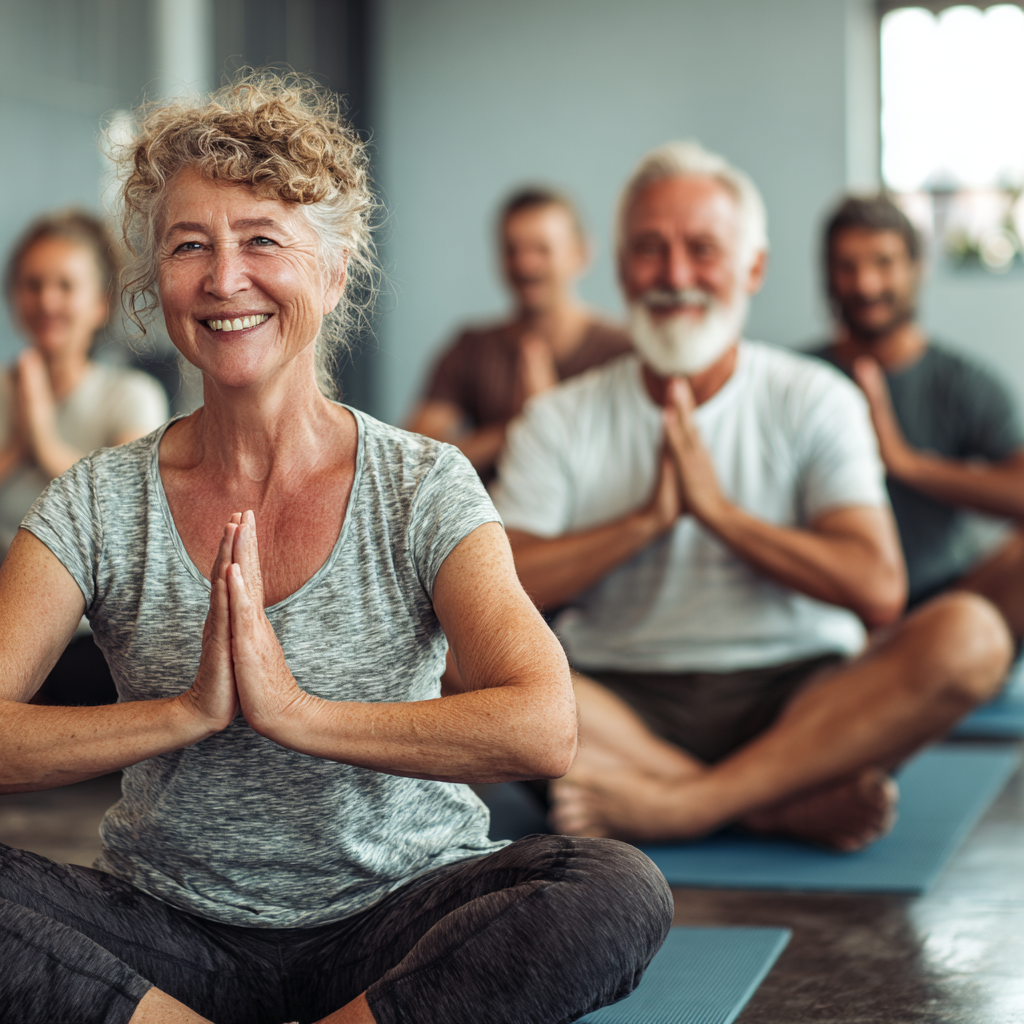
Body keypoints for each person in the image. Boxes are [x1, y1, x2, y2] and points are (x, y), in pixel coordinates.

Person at [0, 74, 671, 1024]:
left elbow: (542, 724)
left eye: (263, 240)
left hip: (396, 920)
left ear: (334, 269)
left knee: (615, 888)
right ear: (157, 281)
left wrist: (295, 713)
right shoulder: (99, 500)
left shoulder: (421, 483)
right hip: (168, 927)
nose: (225, 279)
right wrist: (186, 713)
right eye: (191, 245)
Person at [491, 141, 1012, 851]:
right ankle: (771, 803)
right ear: (620, 268)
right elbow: (499, 590)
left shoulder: (816, 397)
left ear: (753, 268)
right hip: (616, 701)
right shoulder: (558, 417)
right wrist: (645, 522)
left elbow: (879, 588)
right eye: (651, 249)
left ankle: (686, 805)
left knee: (972, 636)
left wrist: (721, 515)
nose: (676, 275)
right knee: (447, 640)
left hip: (800, 700)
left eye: (702, 249)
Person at [812, 195, 1024, 636]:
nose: (866, 284)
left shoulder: (964, 383)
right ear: (827, 276)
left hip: (942, 604)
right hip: (827, 605)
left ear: (916, 268)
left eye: (883, 263)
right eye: (847, 266)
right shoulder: (798, 378)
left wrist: (907, 463)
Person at [1, 211, 169, 706]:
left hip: (88, 631)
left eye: (64, 285)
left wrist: (43, 436)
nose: (46, 300)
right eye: (33, 284)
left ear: (99, 303)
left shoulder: (131, 396)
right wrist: (17, 445)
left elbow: (124, 513)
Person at [406, 187, 631, 480]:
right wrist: (516, 427)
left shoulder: (623, 351)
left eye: (541, 249)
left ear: (581, 254)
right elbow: (410, 460)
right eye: (512, 250)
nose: (525, 264)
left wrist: (547, 421)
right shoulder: (470, 349)